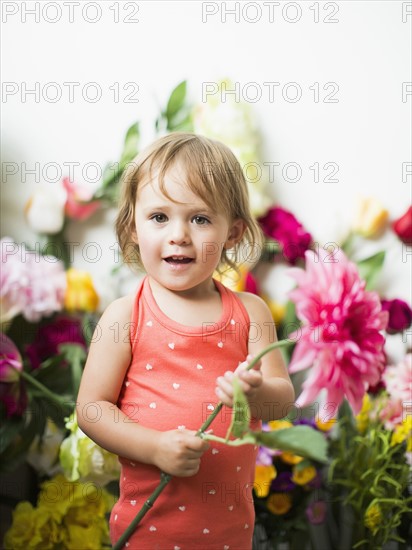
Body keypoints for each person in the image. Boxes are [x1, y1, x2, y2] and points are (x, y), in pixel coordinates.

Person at [76, 133, 295, 549]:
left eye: (199, 219)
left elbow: (281, 400)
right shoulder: (127, 314)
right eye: (159, 217)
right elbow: (92, 410)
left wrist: (255, 393)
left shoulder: (252, 312)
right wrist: (155, 447)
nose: (178, 234)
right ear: (133, 227)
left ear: (232, 233)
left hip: (230, 535)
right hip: (147, 533)